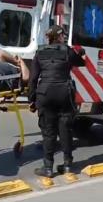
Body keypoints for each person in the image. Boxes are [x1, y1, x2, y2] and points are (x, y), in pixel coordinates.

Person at [28, 25, 86, 178]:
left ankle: (48, 168)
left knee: (48, 132)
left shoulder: (39, 53)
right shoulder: (67, 50)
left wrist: (32, 99)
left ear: (48, 38)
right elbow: (82, 62)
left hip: (45, 94)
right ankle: (67, 164)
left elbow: (33, 79)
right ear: (60, 36)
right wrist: (80, 53)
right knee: (65, 129)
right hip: (64, 93)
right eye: (63, 35)